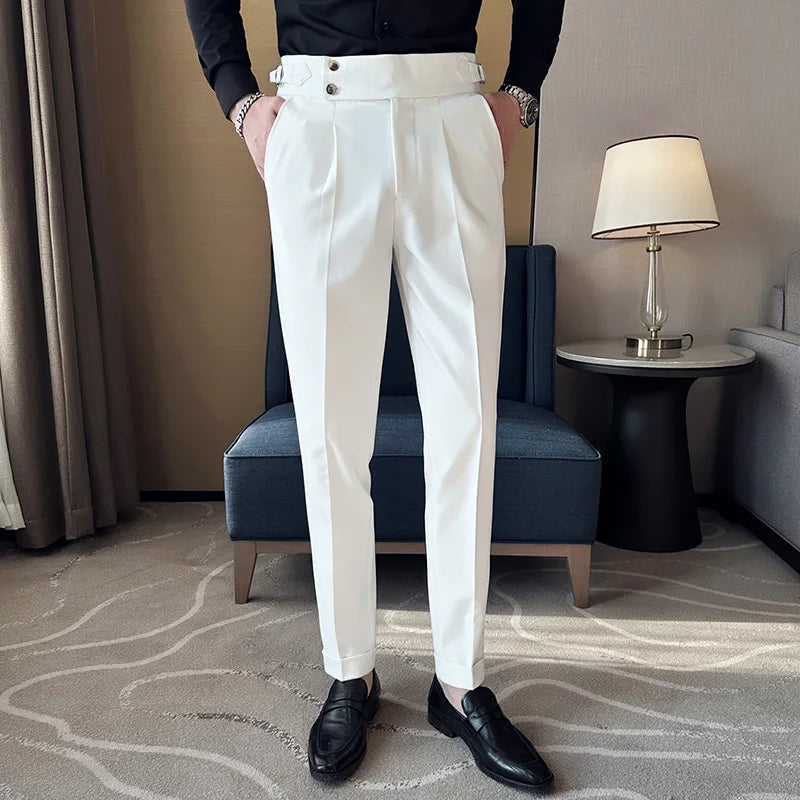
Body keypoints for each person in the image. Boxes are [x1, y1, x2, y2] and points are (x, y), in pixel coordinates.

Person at [184, 0, 565, 790]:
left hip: (452, 113)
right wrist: (240, 99)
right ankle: (349, 669)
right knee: (331, 430)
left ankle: (460, 684)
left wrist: (522, 91)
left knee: (467, 424)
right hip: (318, 120)